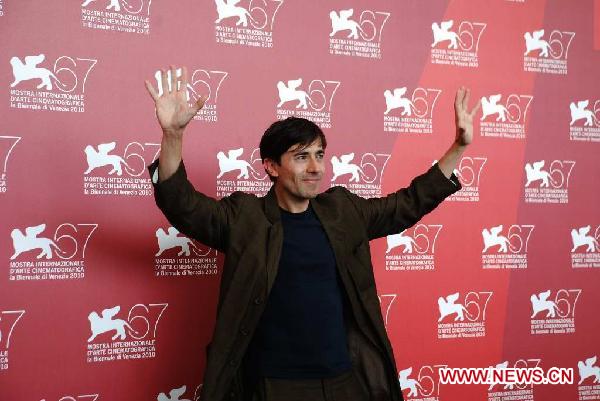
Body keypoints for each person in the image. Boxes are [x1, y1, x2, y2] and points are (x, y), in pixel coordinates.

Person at [145, 66, 480, 401]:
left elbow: (407, 203)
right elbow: (181, 204)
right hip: (273, 386)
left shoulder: (343, 211)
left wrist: (458, 146)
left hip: (343, 381)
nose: (316, 167)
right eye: (301, 157)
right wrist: (173, 136)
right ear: (271, 166)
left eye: (319, 155)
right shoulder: (244, 217)